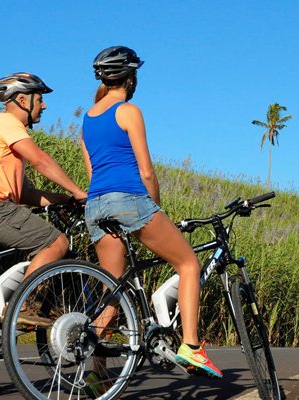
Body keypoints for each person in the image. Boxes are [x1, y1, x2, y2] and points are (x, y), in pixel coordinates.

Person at [80, 46, 223, 384]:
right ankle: (190, 346)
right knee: (188, 263)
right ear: (130, 78)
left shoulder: (87, 118)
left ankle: (96, 376)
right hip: (129, 200)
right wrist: (155, 208)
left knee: (111, 291)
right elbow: (145, 170)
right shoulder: (128, 111)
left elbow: (91, 172)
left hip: (96, 205)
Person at [0, 72, 87, 397]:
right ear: (22, 100)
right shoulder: (7, 122)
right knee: (57, 242)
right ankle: (21, 307)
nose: (44, 105)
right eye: (40, 98)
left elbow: (24, 193)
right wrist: (78, 191)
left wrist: (62, 199)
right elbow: (39, 160)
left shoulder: (1, 133)